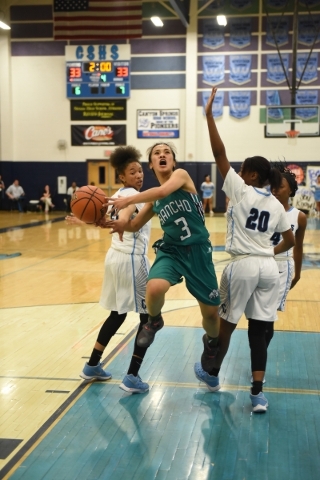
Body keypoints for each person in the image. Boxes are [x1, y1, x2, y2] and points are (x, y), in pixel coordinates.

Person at [195, 87, 295, 413]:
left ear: (251, 174)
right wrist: (269, 252)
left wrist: (209, 116)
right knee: (260, 331)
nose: (235, 172)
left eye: (241, 169)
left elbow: (218, 152)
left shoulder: (241, 189)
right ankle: (257, 394)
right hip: (269, 268)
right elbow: (290, 242)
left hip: (243, 265)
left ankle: (211, 373)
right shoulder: (278, 204)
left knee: (227, 323)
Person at [102, 142, 221, 375]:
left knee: (211, 315)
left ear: (173, 161)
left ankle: (211, 344)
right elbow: (135, 225)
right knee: (154, 288)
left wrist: (127, 200)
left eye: (167, 152)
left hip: (198, 252)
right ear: (152, 164)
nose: (162, 155)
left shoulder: (181, 176)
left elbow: (163, 191)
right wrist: (113, 223)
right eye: (157, 153)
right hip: (172, 250)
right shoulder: (152, 200)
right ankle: (154, 321)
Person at [67, 146, 152, 393]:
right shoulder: (131, 196)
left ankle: (92, 364)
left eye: (140, 171)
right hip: (132, 261)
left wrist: (83, 219)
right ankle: (132, 376)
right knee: (149, 319)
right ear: (122, 176)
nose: (139, 175)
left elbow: (103, 219)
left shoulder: (117, 195)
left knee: (118, 314)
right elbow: (125, 216)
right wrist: (124, 221)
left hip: (114, 258)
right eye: (133, 171)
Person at [272, 166, 307, 309]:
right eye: (273, 186)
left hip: (282, 265)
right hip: (260, 261)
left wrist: (297, 274)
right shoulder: (262, 211)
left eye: (280, 187)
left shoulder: (299, 216)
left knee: (270, 313)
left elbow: (298, 247)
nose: (275, 190)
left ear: (290, 191)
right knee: (256, 313)